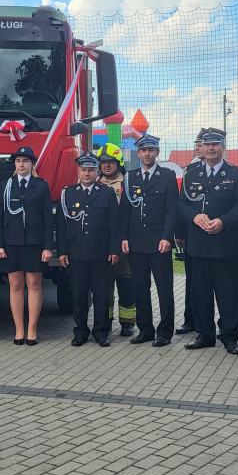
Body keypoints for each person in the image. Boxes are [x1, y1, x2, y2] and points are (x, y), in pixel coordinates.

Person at [179, 129, 238, 354]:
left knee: (228, 292)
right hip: (199, 244)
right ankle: (205, 334)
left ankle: (229, 335)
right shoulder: (191, 173)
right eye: (207, 144)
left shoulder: (236, 175)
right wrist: (194, 216)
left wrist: (222, 221)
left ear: (222, 147)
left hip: (225, 244)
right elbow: (182, 204)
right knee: (200, 291)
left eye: (215, 144)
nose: (211, 148)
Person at [121, 134, 178, 347]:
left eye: (151, 150)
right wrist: (124, 238)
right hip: (136, 242)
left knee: (164, 289)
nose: (147, 154)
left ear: (157, 153)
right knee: (140, 288)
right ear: (138, 154)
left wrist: (167, 237)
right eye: (144, 150)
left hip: (159, 243)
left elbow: (172, 210)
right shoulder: (130, 177)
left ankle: (165, 332)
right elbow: (124, 211)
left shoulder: (167, 176)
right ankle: (145, 329)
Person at [58, 153, 120, 347]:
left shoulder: (106, 192)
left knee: (101, 294)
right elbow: (61, 226)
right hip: (76, 252)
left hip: (101, 252)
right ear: (78, 171)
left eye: (91, 170)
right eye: (83, 170)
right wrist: (62, 251)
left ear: (97, 171)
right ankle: (81, 331)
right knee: (79, 294)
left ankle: (100, 332)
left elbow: (114, 224)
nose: (87, 173)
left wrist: (114, 250)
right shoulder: (67, 193)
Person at [0, 146, 53, 345]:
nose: (21, 165)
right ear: (14, 164)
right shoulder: (5, 185)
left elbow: (47, 219)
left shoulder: (41, 185)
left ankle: (32, 329)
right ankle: (19, 329)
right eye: (18, 161)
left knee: (34, 285)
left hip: (34, 244)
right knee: (15, 285)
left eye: (25, 161)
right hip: (11, 243)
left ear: (32, 164)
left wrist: (47, 247)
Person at [96, 143, 136, 337]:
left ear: (118, 163)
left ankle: (128, 322)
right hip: (102, 243)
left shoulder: (128, 183)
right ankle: (106, 320)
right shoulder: (94, 183)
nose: (106, 166)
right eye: (103, 162)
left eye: (110, 162)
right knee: (104, 286)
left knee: (126, 283)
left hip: (123, 243)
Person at [176, 128, 208, 335]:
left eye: (201, 143)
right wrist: (179, 233)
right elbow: (182, 203)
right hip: (192, 235)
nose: (198, 147)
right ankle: (191, 320)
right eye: (196, 143)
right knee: (192, 280)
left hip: (215, 235)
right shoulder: (190, 171)